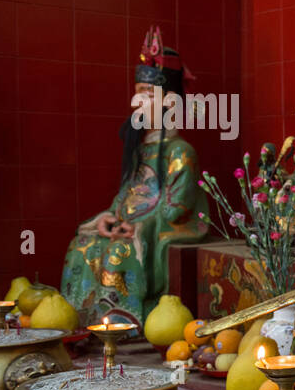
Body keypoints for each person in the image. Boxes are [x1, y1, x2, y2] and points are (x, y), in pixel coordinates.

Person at [61, 27, 208, 324]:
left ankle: (125, 325)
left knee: (119, 251)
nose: (134, 103)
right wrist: (110, 218)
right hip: (132, 226)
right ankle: (85, 323)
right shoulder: (141, 152)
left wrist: (136, 228)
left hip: (161, 231)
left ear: (169, 102)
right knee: (83, 244)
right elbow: (126, 197)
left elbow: (177, 209)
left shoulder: (181, 152)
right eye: (136, 93)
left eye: (144, 95)